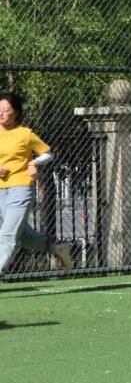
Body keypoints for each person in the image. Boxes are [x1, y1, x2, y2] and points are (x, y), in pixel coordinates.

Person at [0, 91, 72, 275]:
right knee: (23, 236)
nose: (1, 113)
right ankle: (56, 248)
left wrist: (34, 163)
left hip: (21, 188)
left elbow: (48, 154)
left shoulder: (25, 134)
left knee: (7, 234)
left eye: (6, 110)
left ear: (16, 113)